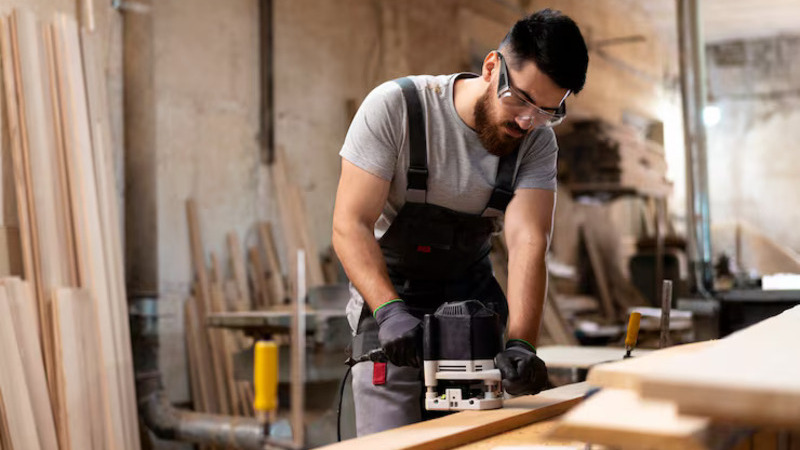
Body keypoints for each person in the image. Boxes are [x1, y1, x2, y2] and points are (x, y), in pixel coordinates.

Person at [331, 9, 589, 436]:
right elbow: (350, 224)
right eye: (520, 100)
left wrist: (522, 343)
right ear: (492, 68)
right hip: (390, 303)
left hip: (471, 308)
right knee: (393, 439)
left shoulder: (537, 142)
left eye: (547, 111)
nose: (527, 121)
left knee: (476, 439)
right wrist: (389, 311)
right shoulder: (398, 108)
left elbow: (528, 241)